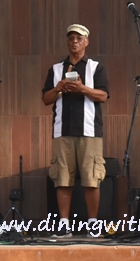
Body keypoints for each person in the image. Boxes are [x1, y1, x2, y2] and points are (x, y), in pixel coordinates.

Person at [41, 24, 109, 237]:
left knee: (91, 177)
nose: (74, 41)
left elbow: (104, 96)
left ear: (86, 42)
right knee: (62, 178)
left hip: (89, 130)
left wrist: (82, 89)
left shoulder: (96, 68)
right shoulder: (55, 69)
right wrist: (58, 88)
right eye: (71, 38)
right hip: (63, 130)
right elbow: (45, 99)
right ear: (67, 42)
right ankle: (63, 224)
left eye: (79, 38)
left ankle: (93, 224)